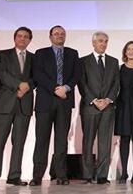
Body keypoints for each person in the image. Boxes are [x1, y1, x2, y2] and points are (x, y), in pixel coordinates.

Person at [30, 25, 80, 186]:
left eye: (62, 34)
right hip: (45, 101)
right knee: (41, 140)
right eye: (56, 34)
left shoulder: (73, 53)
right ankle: (37, 176)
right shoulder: (41, 53)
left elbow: (76, 75)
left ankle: (61, 175)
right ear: (50, 36)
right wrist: (54, 88)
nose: (59, 36)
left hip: (64, 101)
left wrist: (65, 88)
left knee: (61, 141)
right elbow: (38, 74)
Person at [0, 27, 34, 187]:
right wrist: (19, 85)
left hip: (24, 105)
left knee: (19, 142)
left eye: (26, 37)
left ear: (29, 40)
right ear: (14, 38)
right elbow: (2, 74)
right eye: (20, 36)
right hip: (4, 104)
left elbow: (38, 77)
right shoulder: (3, 54)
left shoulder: (34, 58)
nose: (22, 39)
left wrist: (27, 86)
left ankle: (14, 176)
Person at [79, 31, 119, 184]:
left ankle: (102, 175)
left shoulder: (113, 62)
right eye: (100, 41)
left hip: (107, 108)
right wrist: (94, 100)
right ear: (93, 43)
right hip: (90, 107)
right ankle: (88, 174)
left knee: (105, 142)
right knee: (88, 141)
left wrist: (108, 100)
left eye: (106, 41)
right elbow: (82, 83)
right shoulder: (83, 61)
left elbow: (116, 84)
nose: (103, 44)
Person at [115, 41, 133, 184]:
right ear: (125, 52)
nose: (131, 51)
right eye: (128, 49)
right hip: (123, 107)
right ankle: (124, 172)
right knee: (124, 140)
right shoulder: (119, 69)